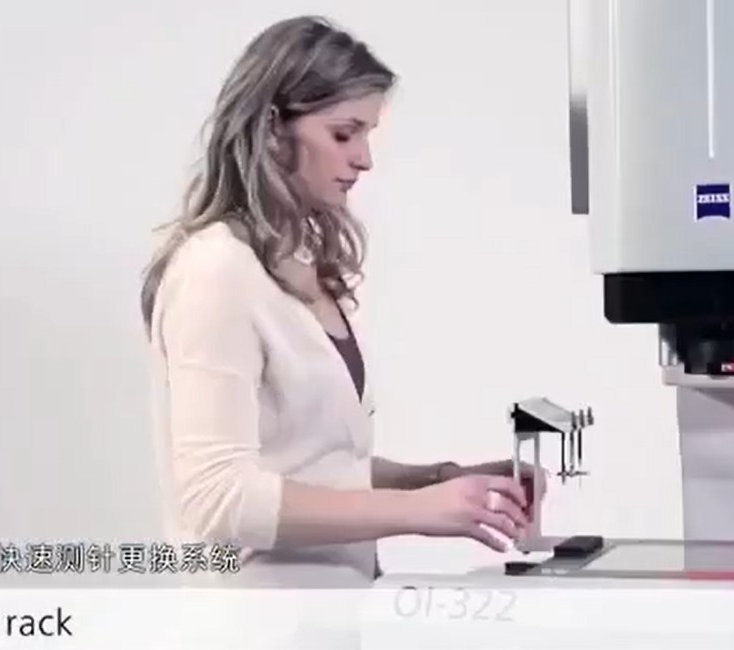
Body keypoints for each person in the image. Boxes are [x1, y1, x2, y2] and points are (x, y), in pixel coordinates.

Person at [140, 16, 544, 588]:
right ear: (272, 128)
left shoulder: (297, 266)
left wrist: (444, 482)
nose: (364, 159)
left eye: (367, 134)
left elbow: (320, 468)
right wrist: (417, 511)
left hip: (330, 610)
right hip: (250, 618)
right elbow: (217, 496)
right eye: (343, 134)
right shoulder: (215, 270)